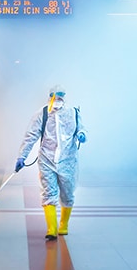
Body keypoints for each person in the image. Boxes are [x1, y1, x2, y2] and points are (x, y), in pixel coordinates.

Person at [14, 86, 87, 240]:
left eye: (61, 97)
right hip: (46, 159)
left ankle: (64, 225)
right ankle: (52, 228)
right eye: (55, 97)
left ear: (65, 97)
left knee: (68, 193)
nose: (58, 100)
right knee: (49, 192)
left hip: (68, 160)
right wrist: (22, 156)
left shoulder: (73, 112)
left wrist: (81, 135)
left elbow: (82, 128)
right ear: (50, 97)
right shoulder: (42, 113)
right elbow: (31, 135)